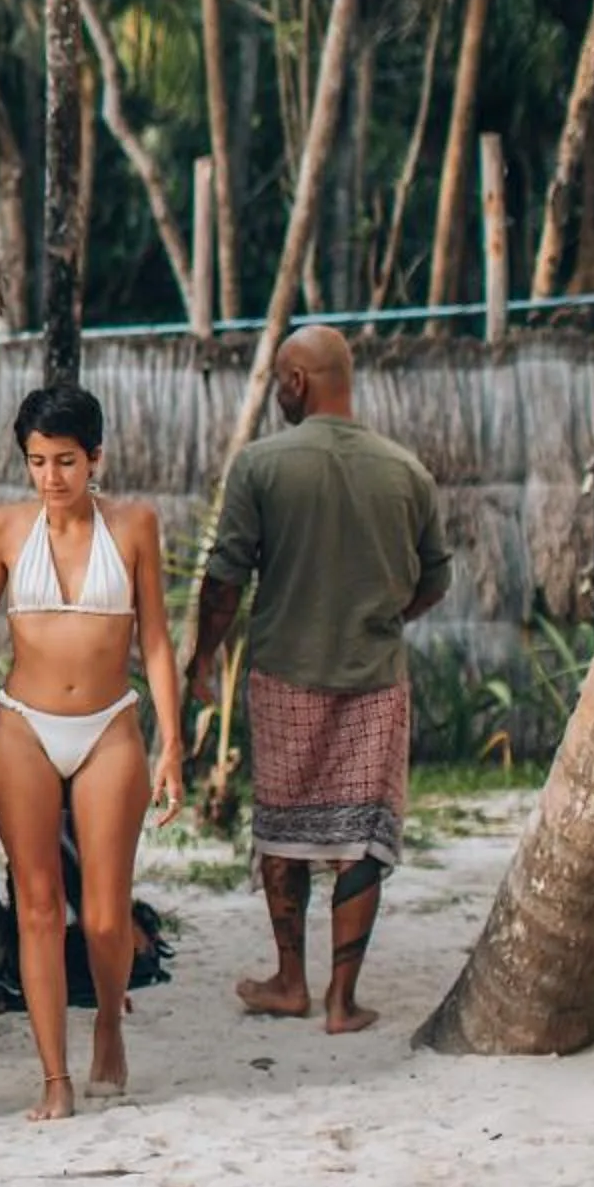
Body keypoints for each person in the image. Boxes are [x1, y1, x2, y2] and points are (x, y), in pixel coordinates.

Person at [0, 385, 183, 1121]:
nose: (51, 476)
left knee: (104, 918)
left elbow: (157, 640)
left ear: (95, 458)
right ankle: (54, 1079)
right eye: (37, 461)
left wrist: (170, 744)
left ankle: (108, 1024)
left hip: (110, 729)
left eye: (65, 461)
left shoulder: (135, 525)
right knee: (37, 909)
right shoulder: (4, 527)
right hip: (23, 728)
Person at [186, 324, 449, 1036]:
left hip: (284, 676)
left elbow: (224, 581)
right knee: (363, 833)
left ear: (296, 381)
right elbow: (435, 579)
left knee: (284, 824)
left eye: (280, 381)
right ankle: (342, 1000)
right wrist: (387, 618)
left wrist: (203, 658)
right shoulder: (406, 471)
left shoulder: (261, 465)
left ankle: (289, 981)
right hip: (375, 678)